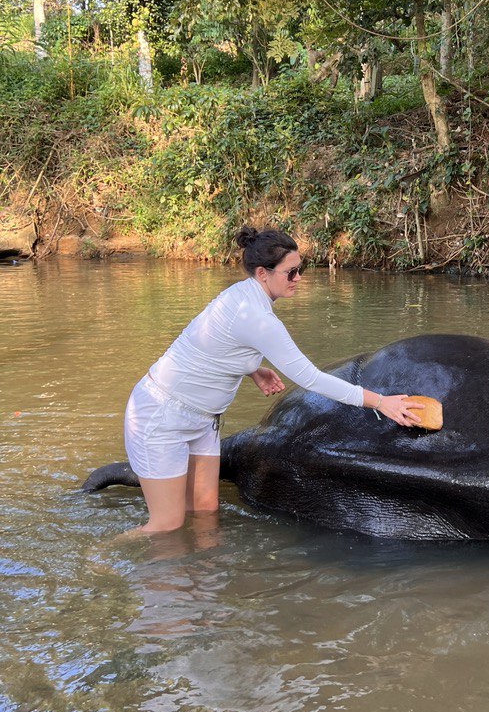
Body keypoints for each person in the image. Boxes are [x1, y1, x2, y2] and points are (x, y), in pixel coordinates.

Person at [122, 224, 419, 535]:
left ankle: (200, 581)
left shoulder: (241, 296)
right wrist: (381, 402)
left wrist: (253, 369)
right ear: (263, 273)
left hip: (203, 420)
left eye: (300, 270)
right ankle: (100, 559)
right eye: (290, 273)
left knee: (205, 513)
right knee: (166, 525)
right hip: (162, 416)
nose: (298, 279)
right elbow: (310, 378)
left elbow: (215, 343)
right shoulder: (257, 318)